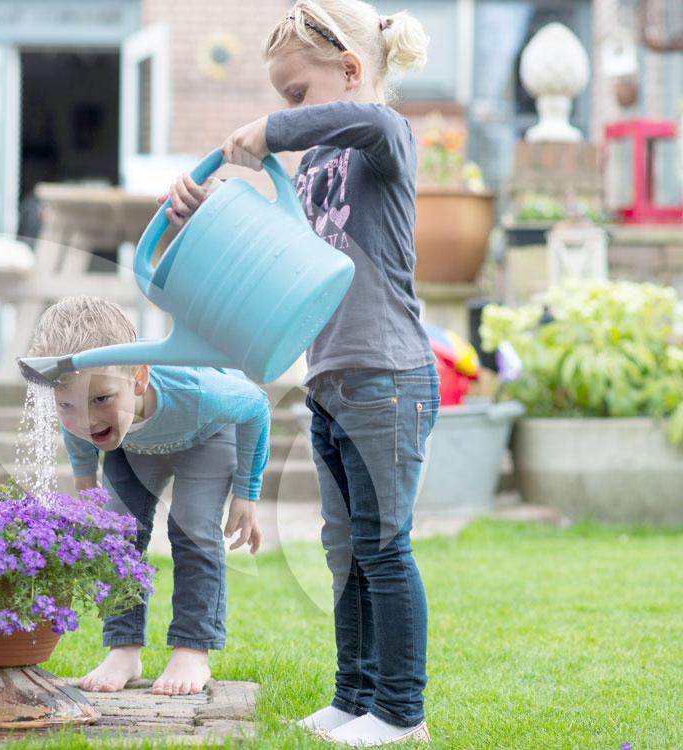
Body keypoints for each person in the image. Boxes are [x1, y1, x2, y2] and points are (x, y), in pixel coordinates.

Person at [161, 1, 438, 744]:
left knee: (384, 547)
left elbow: (367, 121)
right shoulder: (315, 165)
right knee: (344, 549)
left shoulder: (386, 138)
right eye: (283, 101)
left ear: (350, 70)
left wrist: (267, 130)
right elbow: (279, 255)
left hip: (388, 376)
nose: (289, 112)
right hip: (332, 381)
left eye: (296, 94)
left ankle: (400, 713)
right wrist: (204, 215)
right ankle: (353, 698)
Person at [26, 295, 270, 696]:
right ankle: (124, 649)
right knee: (117, 533)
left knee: (192, 527)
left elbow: (256, 407)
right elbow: (79, 431)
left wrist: (247, 492)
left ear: (138, 378)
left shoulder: (198, 390)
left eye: (101, 399)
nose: (85, 418)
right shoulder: (89, 416)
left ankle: (192, 649)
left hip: (207, 435)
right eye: (66, 404)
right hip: (132, 447)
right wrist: (85, 479)